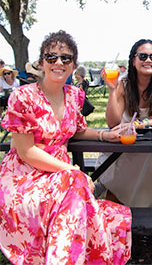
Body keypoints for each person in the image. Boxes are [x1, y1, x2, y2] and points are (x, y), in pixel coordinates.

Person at [0, 30, 131, 264]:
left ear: (73, 66)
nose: (58, 62)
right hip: (24, 174)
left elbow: (76, 130)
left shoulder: (74, 95)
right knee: (76, 185)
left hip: (59, 174)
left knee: (75, 190)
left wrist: (104, 135)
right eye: (51, 57)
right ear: (41, 63)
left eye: (66, 58)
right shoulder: (22, 97)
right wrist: (72, 170)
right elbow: (25, 151)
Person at [94, 39, 152, 206]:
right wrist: (112, 90)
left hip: (151, 143)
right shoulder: (124, 84)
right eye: (143, 56)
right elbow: (113, 122)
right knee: (123, 167)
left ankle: (139, 214)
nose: (148, 60)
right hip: (123, 142)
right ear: (133, 60)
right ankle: (115, 208)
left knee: (146, 158)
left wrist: (140, 124)